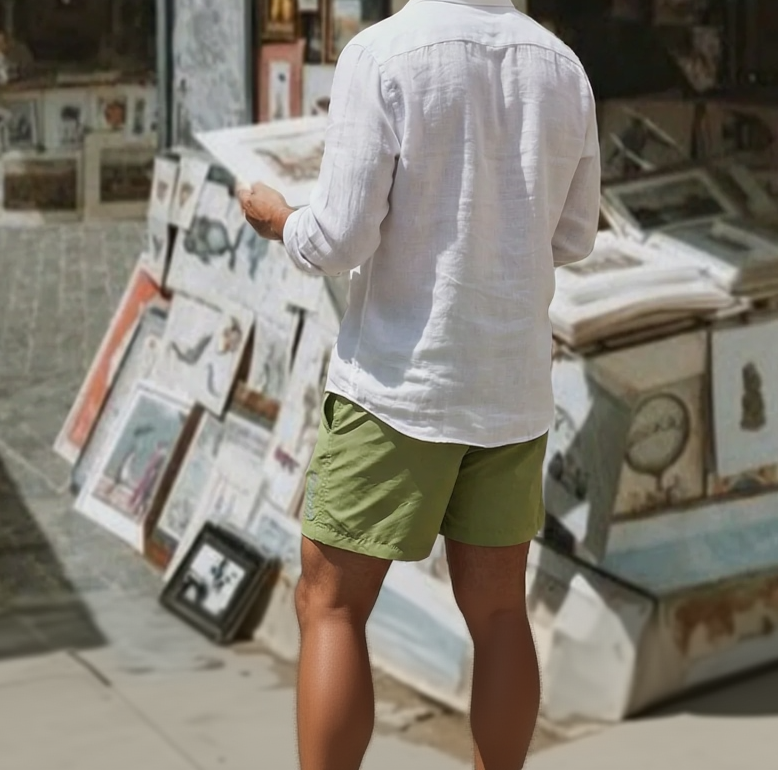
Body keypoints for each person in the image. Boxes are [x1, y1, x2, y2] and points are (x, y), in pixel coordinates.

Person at [237, 1, 600, 769]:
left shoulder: (381, 54)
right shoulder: (560, 66)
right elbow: (572, 235)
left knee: (329, 603)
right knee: (500, 612)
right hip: (508, 387)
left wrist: (278, 219)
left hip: (399, 383)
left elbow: (335, 240)